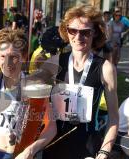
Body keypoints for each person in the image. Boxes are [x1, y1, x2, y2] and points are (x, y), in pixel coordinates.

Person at [43, 5, 119, 159]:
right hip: (54, 146)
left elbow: (114, 118)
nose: (78, 37)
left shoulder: (106, 68)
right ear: (66, 31)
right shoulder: (53, 64)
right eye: (73, 30)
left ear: (95, 33)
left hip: (88, 147)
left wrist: (104, 153)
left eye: (85, 32)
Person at [0, 28, 57, 159]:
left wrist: (30, 151)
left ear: (23, 56)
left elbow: (51, 128)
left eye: (13, 57)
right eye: (3, 56)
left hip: (21, 155)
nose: (7, 63)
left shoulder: (35, 87)